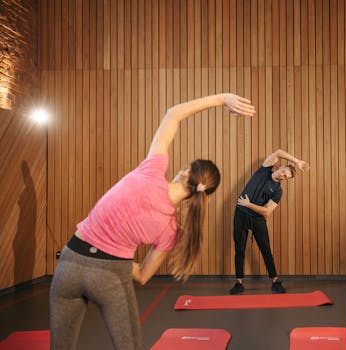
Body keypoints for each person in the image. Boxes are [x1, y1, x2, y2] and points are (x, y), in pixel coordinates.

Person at [49, 93, 255, 350]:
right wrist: (113, 261)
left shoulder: (152, 169)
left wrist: (222, 98)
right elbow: (144, 275)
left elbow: (173, 114)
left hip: (69, 262)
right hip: (111, 274)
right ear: (201, 195)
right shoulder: (170, 230)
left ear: (186, 171)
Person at [229, 149, 310, 294]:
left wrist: (249, 204)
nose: (283, 175)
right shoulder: (265, 169)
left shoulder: (278, 191)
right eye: (284, 171)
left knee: (266, 249)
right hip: (240, 213)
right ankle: (238, 282)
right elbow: (278, 152)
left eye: (286, 177)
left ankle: (275, 281)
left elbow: (267, 211)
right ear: (280, 167)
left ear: (286, 180)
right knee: (239, 248)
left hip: (257, 217)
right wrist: (297, 161)